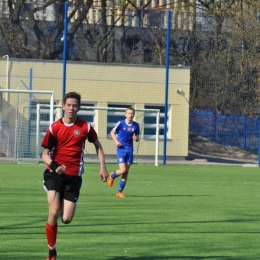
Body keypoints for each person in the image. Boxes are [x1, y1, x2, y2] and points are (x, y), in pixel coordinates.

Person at [41, 92, 108, 260]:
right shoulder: (54, 127)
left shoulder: (85, 127)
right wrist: (55, 166)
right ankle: (52, 251)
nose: (71, 108)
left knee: (66, 219)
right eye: (69, 105)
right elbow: (44, 155)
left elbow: (98, 146)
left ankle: (62, 204)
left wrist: (102, 167)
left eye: (75, 105)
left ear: (79, 107)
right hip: (53, 175)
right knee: (54, 211)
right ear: (63, 106)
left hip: (73, 178)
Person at [108, 107, 140, 198]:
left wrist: (136, 138)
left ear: (134, 114)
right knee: (123, 170)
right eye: (128, 113)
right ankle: (112, 175)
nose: (130, 115)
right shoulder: (121, 123)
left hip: (130, 149)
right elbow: (112, 132)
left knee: (126, 172)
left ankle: (119, 192)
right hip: (121, 149)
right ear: (125, 114)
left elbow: (137, 138)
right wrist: (116, 141)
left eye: (132, 113)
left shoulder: (136, 125)